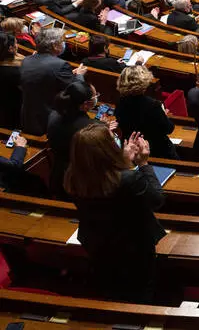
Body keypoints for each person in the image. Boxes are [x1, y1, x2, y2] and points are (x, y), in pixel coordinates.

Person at [65, 125, 164, 303]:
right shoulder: (128, 179)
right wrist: (142, 164)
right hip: (133, 247)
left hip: (97, 243)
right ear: (107, 150)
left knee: (110, 285)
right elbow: (156, 199)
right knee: (140, 290)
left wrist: (124, 161)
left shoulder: (73, 176)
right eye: (113, 140)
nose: (118, 141)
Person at [20, 28, 86, 136]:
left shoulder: (26, 60)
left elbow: (44, 78)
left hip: (28, 115)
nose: (63, 44)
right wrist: (79, 75)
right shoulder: (60, 65)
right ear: (55, 46)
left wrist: (69, 75)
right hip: (48, 118)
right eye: (61, 41)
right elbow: (76, 89)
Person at [47, 81, 101, 198]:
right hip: (80, 179)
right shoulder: (89, 128)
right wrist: (103, 130)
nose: (97, 98)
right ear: (86, 104)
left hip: (58, 173)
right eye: (95, 96)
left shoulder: (54, 115)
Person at [115, 66, 177, 160]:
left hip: (132, 149)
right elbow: (169, 129)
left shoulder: (120, 102)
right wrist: (164, 115)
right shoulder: (153, 105)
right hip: (156, 151)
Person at [0, 33, 22, 129]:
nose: (18, 46)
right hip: (12, 108)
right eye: (16, 43)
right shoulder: (15, 72)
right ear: (10, 48)